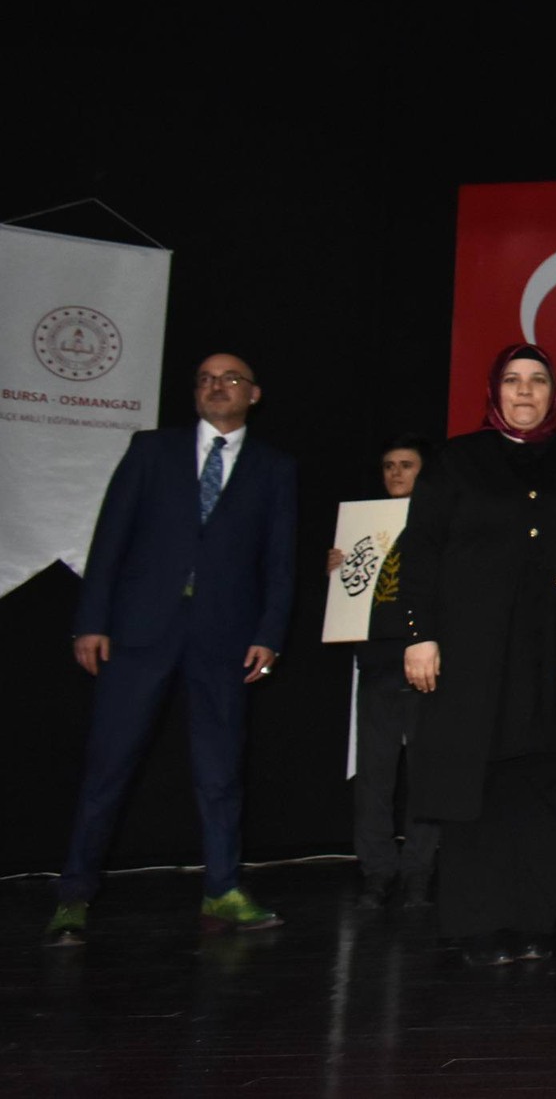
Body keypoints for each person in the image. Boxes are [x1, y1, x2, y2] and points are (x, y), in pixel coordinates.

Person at [45, 353, 296, 946]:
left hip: (224, 637)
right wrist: (91, 621)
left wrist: (269, 633)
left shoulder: (275, 468)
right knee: (108, 766)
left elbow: (280, 559)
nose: (216, 387)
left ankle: (222, 890)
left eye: (230, 379)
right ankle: (74, 895)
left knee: (220, 771)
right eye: (205, 379)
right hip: (139, 631)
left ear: (254, 394)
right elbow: (110, 537)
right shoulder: (152, 450)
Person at [399, 346, 556, 966]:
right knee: (478, 784)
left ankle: (534, 920)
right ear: (494, 391)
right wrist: (419, 634)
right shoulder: (455, 461)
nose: (524, 391)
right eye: (513, 381)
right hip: (474, 657)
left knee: (542, 783)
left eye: (537, 381)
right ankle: (477, 925)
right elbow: (420, 552)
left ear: (553, 394)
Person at [326, 434, 440, 910]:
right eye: (389, 465)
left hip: (425, 665)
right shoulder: (364, 527)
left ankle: (418, 873)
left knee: (426, 775)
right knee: (374, 777)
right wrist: (338, 570)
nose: (396, 473)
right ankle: (377, 872)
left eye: (406, 464)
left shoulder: (439, 524)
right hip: (375, 663)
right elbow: (352, 596)